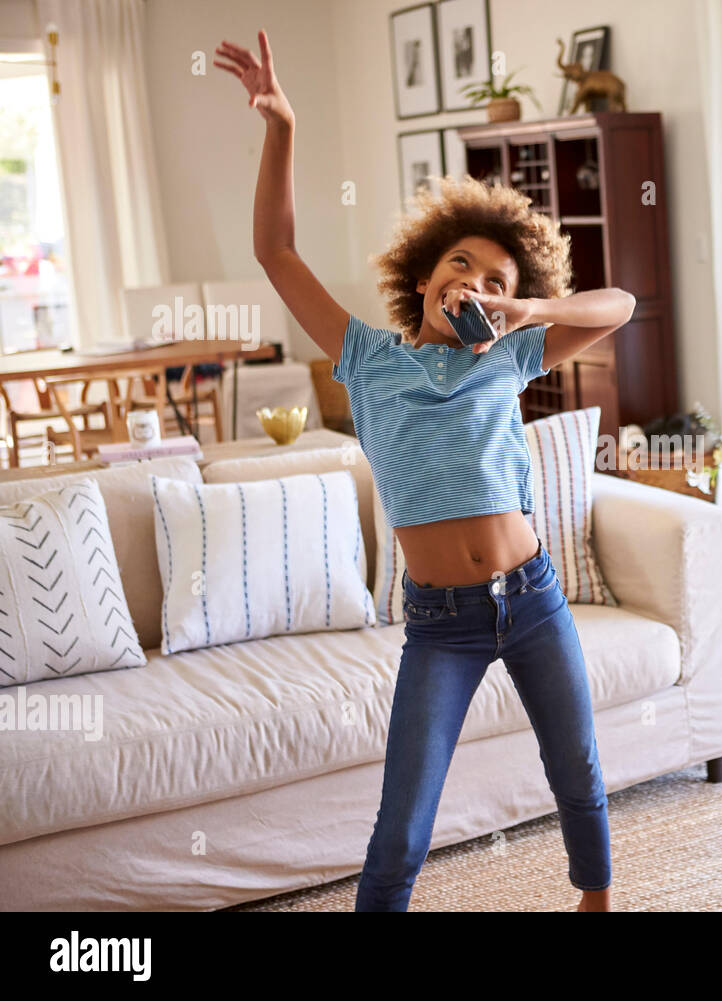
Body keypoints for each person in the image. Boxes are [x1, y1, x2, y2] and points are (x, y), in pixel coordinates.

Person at [215, 30, 634, 912]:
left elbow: (620, 306)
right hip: (440, 624)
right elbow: (276, 255)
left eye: (493, 275)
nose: (475, 282)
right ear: (425, 273)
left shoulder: (511, 356)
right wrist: (281, 127)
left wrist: (530, 306)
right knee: (403, 823)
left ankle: (598, 904)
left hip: (531, 596)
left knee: (578, 772)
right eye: (462, 265)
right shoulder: (365, 357)